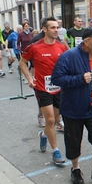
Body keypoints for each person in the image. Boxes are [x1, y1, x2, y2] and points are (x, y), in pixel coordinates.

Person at [51, 27, 92, 184]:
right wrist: (79, 79)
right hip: (73, 109)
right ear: (86, 41)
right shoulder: (69, 56)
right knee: (73, 142)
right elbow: (57, 78)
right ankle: (75, 169)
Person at [20, 17, 67, 165]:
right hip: (42, 87)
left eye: (57, 27)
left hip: (58, 88)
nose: (56, 30)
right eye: (52, 27)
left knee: (57, 118)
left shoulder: (62, 47)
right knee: (51, 119)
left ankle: (43, 134)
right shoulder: (34, 47)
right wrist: (29, 78)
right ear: (44, 29)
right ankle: (56, 151)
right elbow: (22, 62)